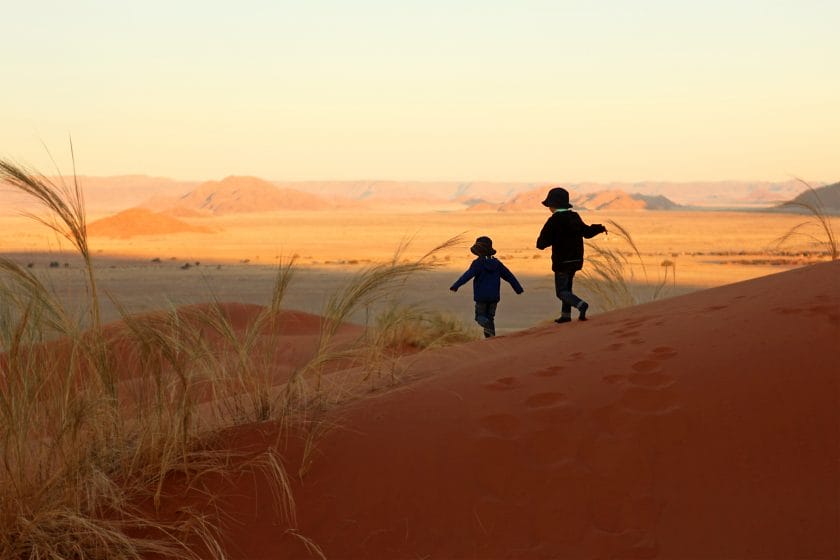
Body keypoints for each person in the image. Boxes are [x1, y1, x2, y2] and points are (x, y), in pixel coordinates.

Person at [536, 187, 607, 323]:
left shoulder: (554, 220)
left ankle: (580, 304)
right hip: (576, 260)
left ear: (552, 205)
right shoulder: (574, 217)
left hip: (562, 261)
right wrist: (599, 228)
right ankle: (565, 316)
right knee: (567, 288)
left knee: (561, 292)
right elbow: (587, 232)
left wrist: (545, 241)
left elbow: (541, 243)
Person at [450, 236, 524, 337]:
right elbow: (509, 276)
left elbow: (467, 275)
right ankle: (490, 340)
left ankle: (490, 335)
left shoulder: (478, 264)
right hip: (494, 297)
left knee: (480, 317)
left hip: (481, 297)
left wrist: (456, 285)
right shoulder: (497, 264)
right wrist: (518, 288)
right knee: (490, 318)